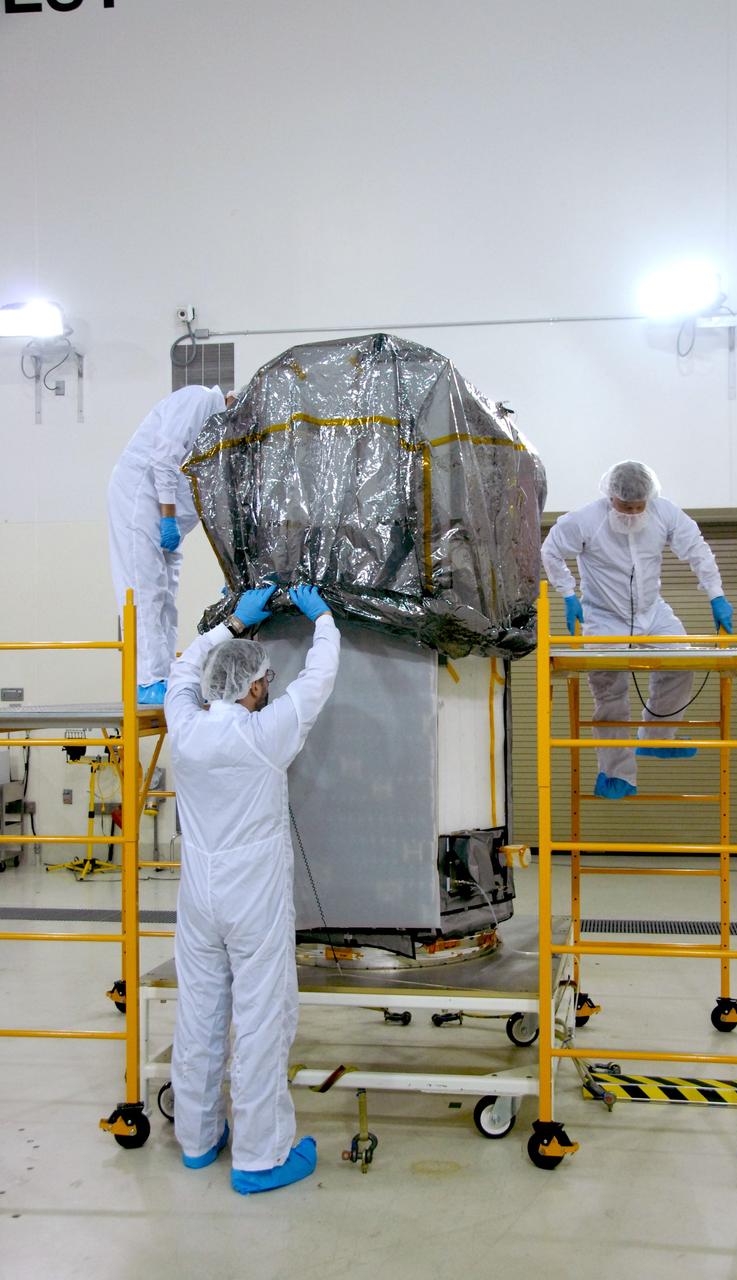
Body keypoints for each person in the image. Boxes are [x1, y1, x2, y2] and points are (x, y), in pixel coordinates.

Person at [164, 582, 340, 1195]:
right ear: (256, 686)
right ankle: (259, 1158)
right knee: (262, 1018)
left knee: (200, 1013)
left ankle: (196, 1139)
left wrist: (231, 625)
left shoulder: (183, 727)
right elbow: (317, 681)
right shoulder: (265, 737)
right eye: (266, 681)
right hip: (254, 898)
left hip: (198, 895)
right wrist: (323, 621)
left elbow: (182, 669)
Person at [540, 460, 733, 799]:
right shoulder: (585, 520)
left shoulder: (665, 514)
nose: (631, 512)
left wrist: (716, 595)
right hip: (602, 617)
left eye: (638, 506)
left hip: (652, 612)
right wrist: (568, 595)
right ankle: (616, 774)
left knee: (681, 660)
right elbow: (551, 551)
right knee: (610, 694)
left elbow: (698, 551)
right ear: (610, 496)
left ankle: (656, 737)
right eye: (624, 506)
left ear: (649, 499)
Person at [108, 384, 231, 705]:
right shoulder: (201, 401)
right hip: (142, 501)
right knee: (143, 587)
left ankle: (164, 674)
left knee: (165, 595)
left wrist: (230, 568)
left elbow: (217, 503)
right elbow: (163, 458)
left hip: (170, 519)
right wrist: (166, 516)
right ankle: (148, 679)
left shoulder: (219, 435)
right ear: (234, 400)